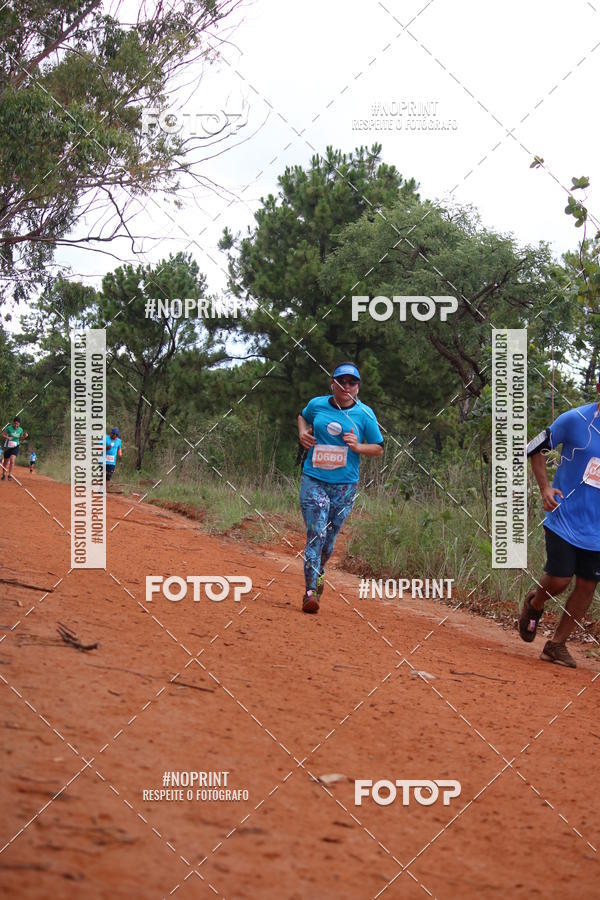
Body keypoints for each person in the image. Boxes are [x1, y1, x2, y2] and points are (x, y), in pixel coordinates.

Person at [520, 382, 600, 667]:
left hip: (597, 530)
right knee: (560, 579)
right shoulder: (575, 420)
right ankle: (536, 603)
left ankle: (556, 645)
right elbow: (534, 447)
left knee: (587, 585)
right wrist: (544, 488)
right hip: (563, 516)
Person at [297, 363, 384, 614]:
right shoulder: (317, 405)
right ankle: (310, 592)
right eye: (341, 381)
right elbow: (301, 415)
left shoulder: (365, 414)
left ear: (357, 388)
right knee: (316, 533)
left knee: (329, 542)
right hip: (314, 479)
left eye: (352, 383)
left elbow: (378, 448)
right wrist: (303, 432)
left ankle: (319, 570)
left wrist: (357, 447)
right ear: (331, 384)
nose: (346, 387)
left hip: (345, 486)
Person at [1, 416, 28, 481]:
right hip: (8, 447)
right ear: (13, 423)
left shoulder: (20, 429)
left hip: (15, 446)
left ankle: (10, 475)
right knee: (6, 461)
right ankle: (4, 474)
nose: (16, 425)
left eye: (17, 424)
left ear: (19, 424)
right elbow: (3, 435)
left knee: (12, 460)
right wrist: (7, 437)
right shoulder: (9, 428)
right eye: (15, 423)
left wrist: (24, 436)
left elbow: (20, 438)